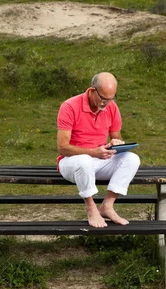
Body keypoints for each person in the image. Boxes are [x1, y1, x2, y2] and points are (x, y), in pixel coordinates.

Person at [56, 72, 140, 228]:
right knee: (84, 160)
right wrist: (94, 152)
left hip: (99, 160)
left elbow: (117, 137)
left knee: (132, 158)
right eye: (103, 99)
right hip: (71, 163)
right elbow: (63, 148)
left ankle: (107, 205)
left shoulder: (112, 107)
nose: (106, 103)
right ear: (92, 90)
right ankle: (90, 206)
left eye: (111, 99)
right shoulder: (69, 106)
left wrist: (117, 143)